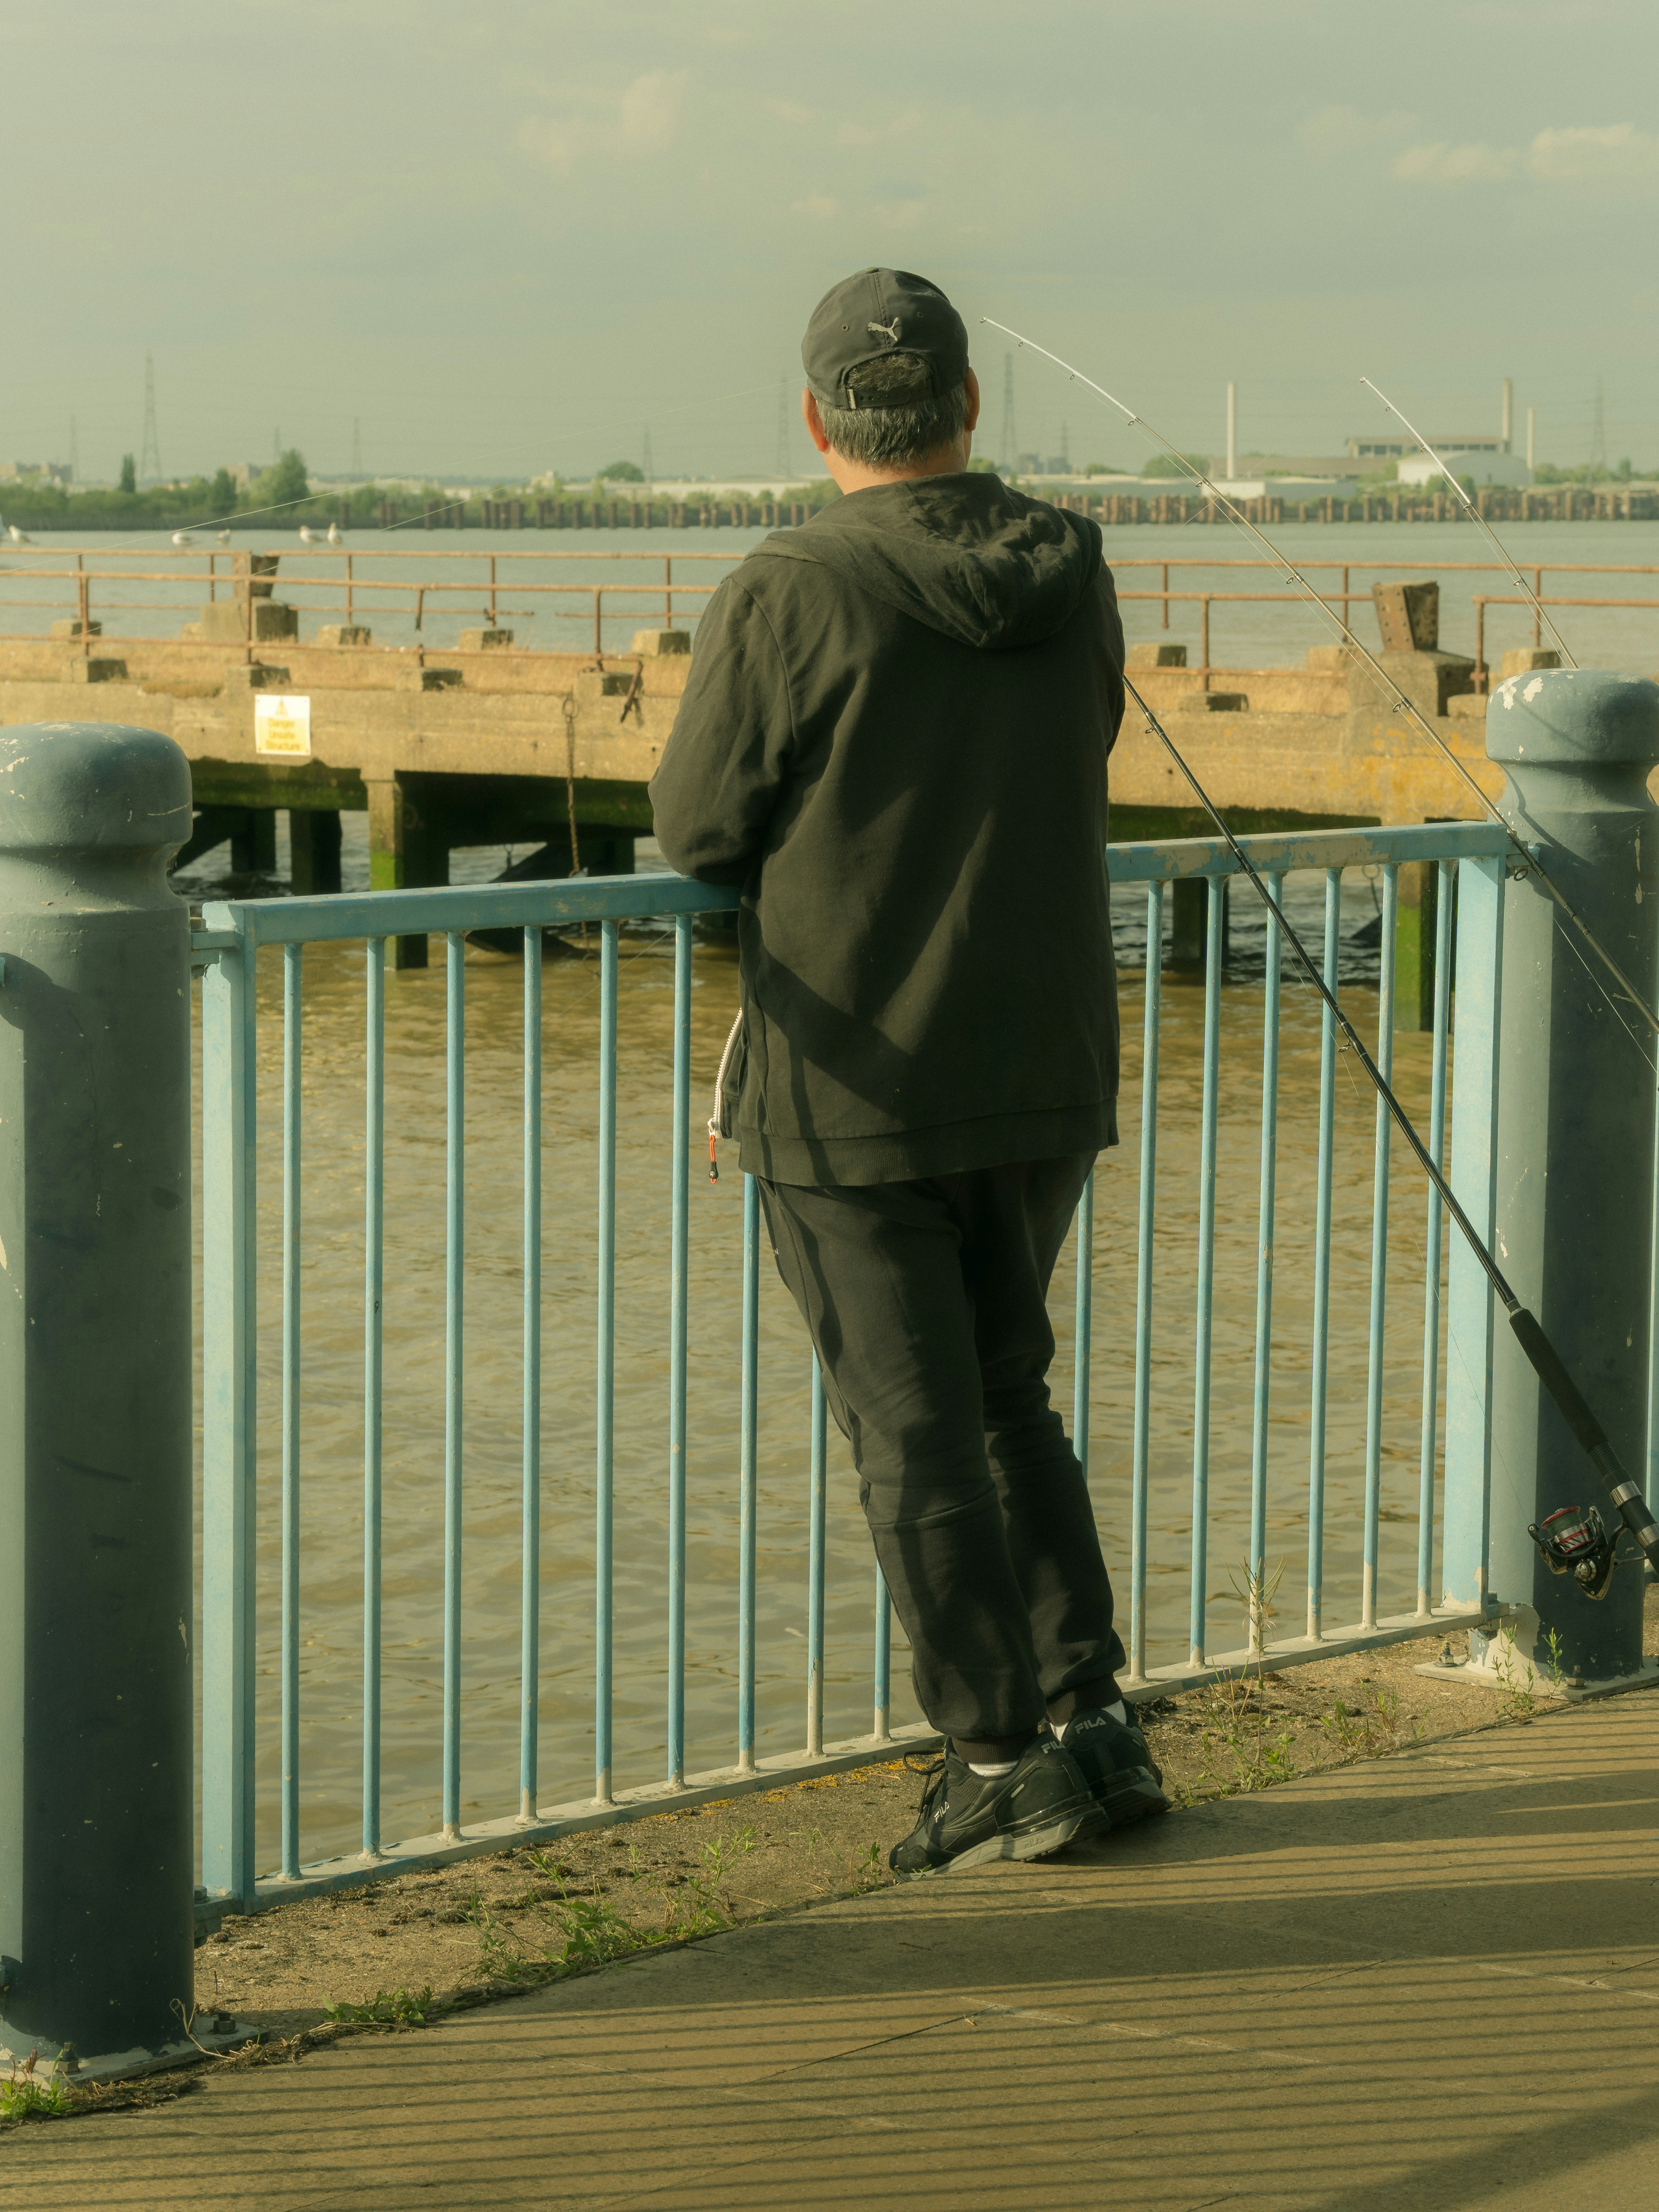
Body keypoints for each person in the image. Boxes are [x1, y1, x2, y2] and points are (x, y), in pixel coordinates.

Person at [649, 267, 1167, 1874]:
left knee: (912, 1430)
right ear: (966, 407)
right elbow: (1081, 736)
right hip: (1042, 1054)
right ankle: (1093, 1718)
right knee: (1012, 1394)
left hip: (855, 1075)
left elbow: (697, 826)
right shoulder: (1069, 560)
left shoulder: (788, 584)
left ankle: (999, 1751)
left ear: (817, 420)